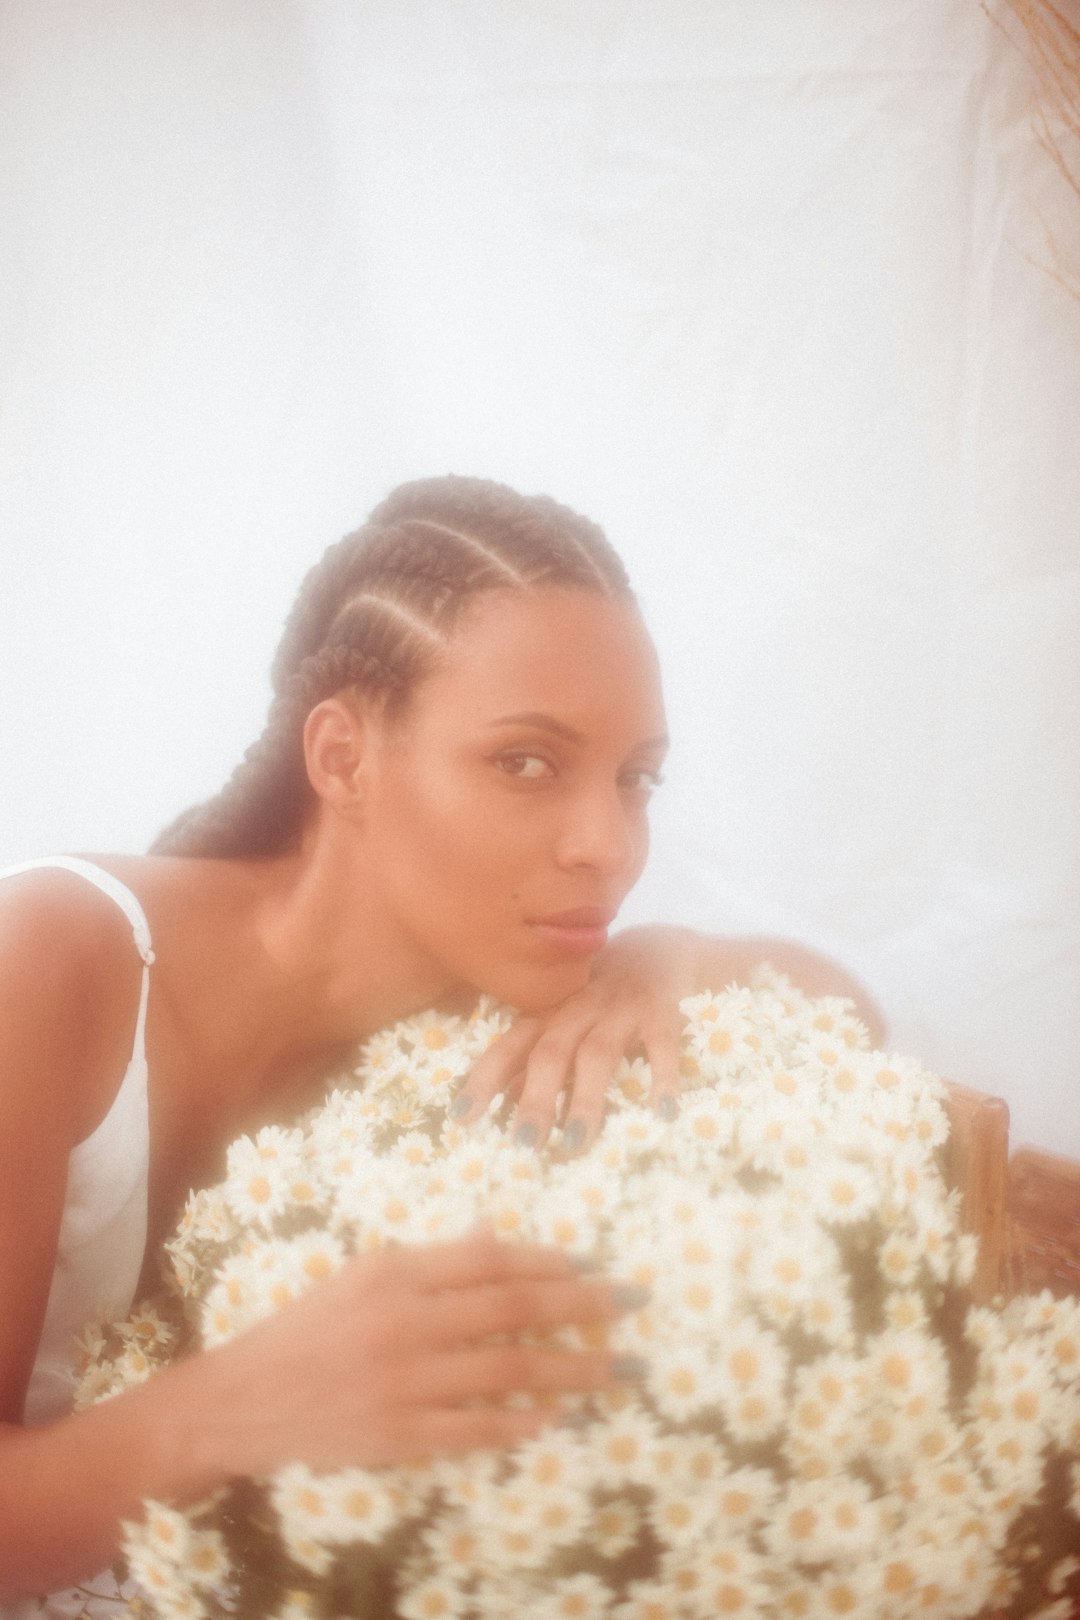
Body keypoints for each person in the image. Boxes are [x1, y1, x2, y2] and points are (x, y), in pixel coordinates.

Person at [0, 475, 883, 1607]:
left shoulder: (485, 1007)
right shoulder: (45, 962)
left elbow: (851, 1010)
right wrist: (237, 1404)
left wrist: (674, 957)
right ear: (343, 758)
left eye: (636, 779)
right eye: (526, 762)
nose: (607, 847)